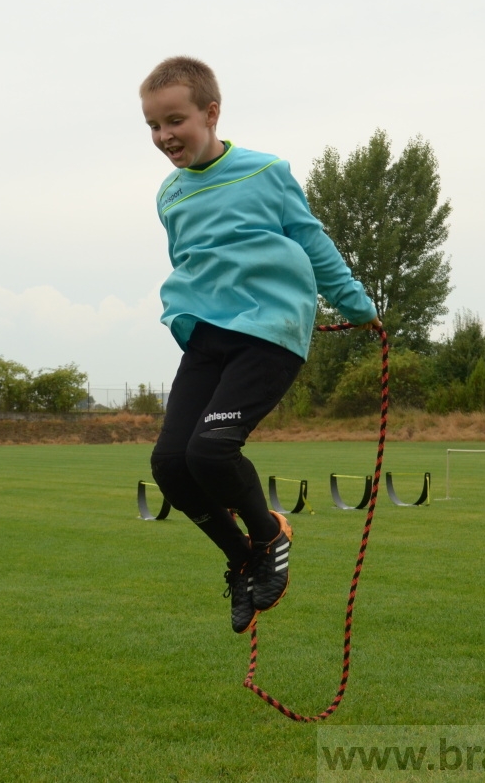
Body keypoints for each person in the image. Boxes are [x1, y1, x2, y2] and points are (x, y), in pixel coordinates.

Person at [141, 56, 380, 634]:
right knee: (171, 464)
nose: (164, 135)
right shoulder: (168, 195)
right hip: (207, 339)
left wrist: (355, 304)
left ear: (211, 112)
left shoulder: (266, 172)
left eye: (175, 120)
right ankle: (243, 558)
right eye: (152, 126)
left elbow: (311, 240)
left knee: (211, 451)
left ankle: (270, 533)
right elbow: (191, 263)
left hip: (267, 333)